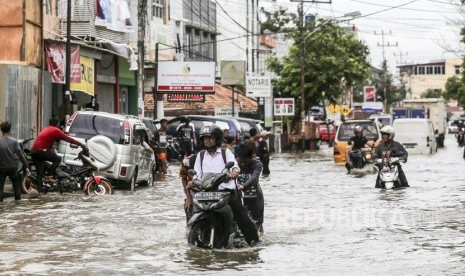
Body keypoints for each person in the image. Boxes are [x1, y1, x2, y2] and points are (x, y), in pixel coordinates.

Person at [187, 124, 259, 246]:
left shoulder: (226, 153)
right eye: (205, 138)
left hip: (226, 193)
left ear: (217, 139)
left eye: (210, 138)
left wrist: (234, 172)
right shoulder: (201, 155)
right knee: (192, 210)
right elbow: (197, 173)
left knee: (242, 217)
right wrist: (193, 180)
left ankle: (254, 241)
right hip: (207, 192)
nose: (207, 140)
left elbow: (235, 166)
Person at [31, 117, 87, 193]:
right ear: (57, 124)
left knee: (39, 174)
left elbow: (48, 143)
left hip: (34, 152)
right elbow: (68, 139)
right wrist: (80, 144)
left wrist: (51, 151)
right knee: (57, 159)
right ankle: (48, 176)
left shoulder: (46, 129)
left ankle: (40, 193)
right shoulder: (56, 130)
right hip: (41, 151)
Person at [236, 143, 265, 233]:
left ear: (251, 157)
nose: (243, 163)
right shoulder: (235, 163)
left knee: (257, 224)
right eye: (241, 160)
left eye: (245, 161)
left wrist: (243, 186)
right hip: (239, 198)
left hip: (255, 198)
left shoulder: (257, 164)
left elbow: (254, 177)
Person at [0, 121, 30, 202]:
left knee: (0, 188)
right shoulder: (14, 141)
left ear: (1, 130)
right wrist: (26, 166)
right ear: (10, 130)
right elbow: (20, 155)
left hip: (1, 168)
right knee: (17, 187)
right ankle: (17, 204)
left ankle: (1, 207)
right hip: (12, 167)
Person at [179, 153, 197, 222]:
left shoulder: (208, 161)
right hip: (191, 189)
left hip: (206, 187)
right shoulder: (185, 162)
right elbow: (183, 179)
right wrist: (189, 198)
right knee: (188, 208)